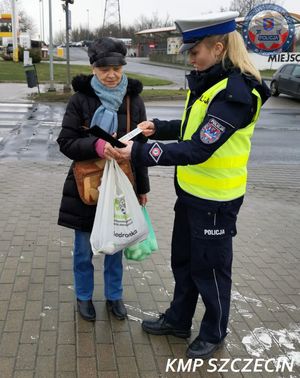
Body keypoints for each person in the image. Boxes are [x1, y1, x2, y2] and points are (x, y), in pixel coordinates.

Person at [116, 12, 270, 358]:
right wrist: (159, 126)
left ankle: (213, 333)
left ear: (218, 48)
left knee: (211, 270)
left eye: (194, 50)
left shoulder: (237, 93)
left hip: (216, 202)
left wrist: (139, 152)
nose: (190, 57)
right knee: (183, 262)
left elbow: (200, 147)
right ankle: (178, 320)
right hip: (191, 195)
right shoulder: (210, 82)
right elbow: (192, 129)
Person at [57, 37, 150, 322]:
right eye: (104, 68)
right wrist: (96, 147)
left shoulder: (134, 101)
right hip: (86, 186)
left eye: (117, 68)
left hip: (122, 184)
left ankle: (114, 296)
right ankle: (84, 297)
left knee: (116, 246)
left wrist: (142, 188)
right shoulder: (80, 99)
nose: (111, 74)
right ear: (93, 68)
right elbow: (66, 142)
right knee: (83, 249)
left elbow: (141, 149)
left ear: (123, 67)